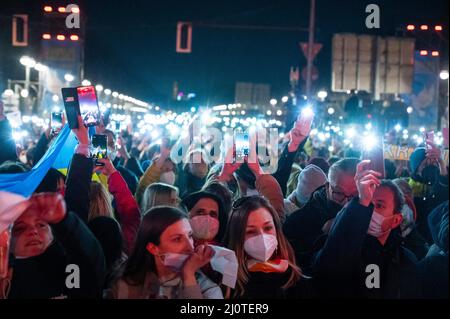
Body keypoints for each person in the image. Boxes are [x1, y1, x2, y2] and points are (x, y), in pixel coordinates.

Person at [311, 162, 418, 298]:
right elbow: (328, 272)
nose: (369, 211)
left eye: (379, 205)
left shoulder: (406, 261)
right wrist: (360, 203)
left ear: (396, 220)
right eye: (368, 203)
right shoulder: (334, 243)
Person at [2, 193, 105, 299]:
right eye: (20, 228)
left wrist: (65, 220)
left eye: (41, 225)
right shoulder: (5, 278)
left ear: (52, 235)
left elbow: (91, 267)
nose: (33, 231)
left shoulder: (67, 268)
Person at [107, 206, 223, 299]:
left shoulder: (207, 289)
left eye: (190, 236)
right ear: (153, 248)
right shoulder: (124, 285)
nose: (190, 247)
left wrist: (188, 276)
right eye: (177, 239)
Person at [222, 196, 314, 298]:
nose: (262, 237)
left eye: (268, 228)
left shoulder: (295, 278)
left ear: (276, 230)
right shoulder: (228, 281)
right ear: (237, 237)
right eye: (250, 231)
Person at [283, 158, 360, 272]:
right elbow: (296, 269)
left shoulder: (368, 217)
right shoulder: (298, 221)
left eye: (355, 196)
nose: (346, 203)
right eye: (338, 193)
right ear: (327, 187)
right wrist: (323, 236)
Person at [408, 143, 448, 242]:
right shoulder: (408, 190)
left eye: (434, 163)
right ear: (416, 170)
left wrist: (442, 164)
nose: (431, 167)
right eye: (425, 165)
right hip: (419, 240)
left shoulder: (440, 182)